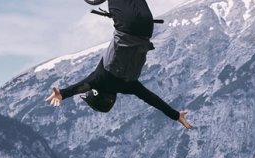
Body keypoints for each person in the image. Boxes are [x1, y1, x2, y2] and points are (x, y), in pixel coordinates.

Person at [46, 0, 193, 129]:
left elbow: (153, 100)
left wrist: (175, 115)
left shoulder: (130, 87)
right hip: (126, 24)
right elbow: (80, 87)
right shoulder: (99, 80)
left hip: (147, 27)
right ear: (96, 93)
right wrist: (62, 94)